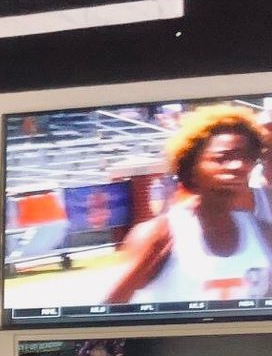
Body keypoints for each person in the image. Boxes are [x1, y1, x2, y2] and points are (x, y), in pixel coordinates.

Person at [106, 106, 272, 305]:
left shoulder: (261, 231)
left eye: (246, 158)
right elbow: (105, 313)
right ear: (191, 166)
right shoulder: (160, 234)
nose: (238, 166)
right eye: (222, 158)